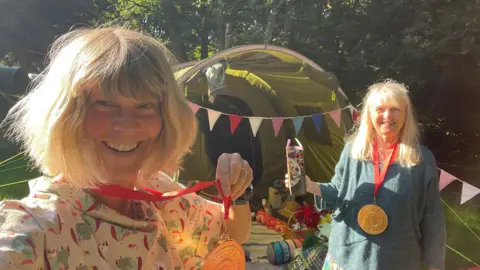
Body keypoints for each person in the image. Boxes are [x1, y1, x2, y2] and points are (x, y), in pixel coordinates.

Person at [0, 27, 253, 270]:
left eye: (145, 105)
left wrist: (237, 191)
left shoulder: (158, 196)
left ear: (168, 117)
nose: (128, 125)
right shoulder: (38, 227)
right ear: (67, 116)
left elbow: (230, 234)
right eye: (105, 103)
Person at [289, 80, 446, 270]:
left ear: (406, 114)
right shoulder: (353, 151)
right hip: (347, 259)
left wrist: (434, 265)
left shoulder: (421, 160)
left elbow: (433, 219)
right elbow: (338, 192)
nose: (387, 116)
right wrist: (310, 186)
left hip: (398, 261)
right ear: (369, 115)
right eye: (380, 109)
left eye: (395, 109)